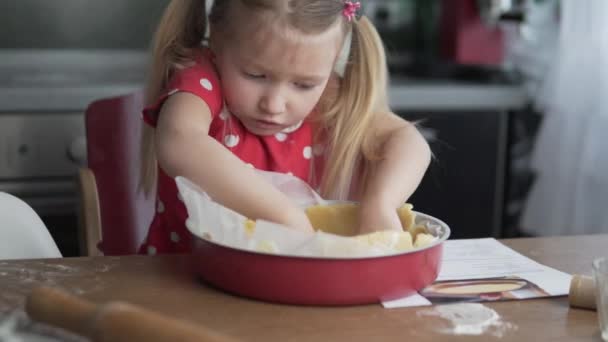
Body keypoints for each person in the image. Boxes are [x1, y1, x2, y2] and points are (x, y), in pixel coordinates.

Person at [138, 0, 431, 255]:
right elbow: (180, 140)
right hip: (181, 283)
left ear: (334, 58)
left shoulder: (327, 96)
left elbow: (408, 141)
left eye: (303, 84)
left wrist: (379, 204)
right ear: (217, 40)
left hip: (284, 295)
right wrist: (284, 217)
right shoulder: (201, 78)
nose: (274, 104)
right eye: (255, 75)